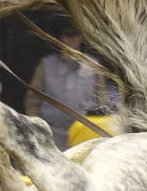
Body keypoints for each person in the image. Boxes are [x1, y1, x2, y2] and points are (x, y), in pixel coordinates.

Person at [24, 21, 106, 150]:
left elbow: (102, 101)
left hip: (82, 134)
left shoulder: (93, 67)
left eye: (73, 35)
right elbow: (32, 101)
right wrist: (36, 127)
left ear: (81, 37)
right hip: (52, 134)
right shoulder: (46, 65)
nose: (67, 40)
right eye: (65, 35)